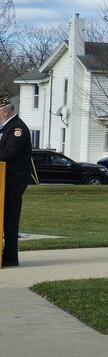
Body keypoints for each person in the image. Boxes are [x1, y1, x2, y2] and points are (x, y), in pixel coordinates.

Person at [0, 93, 36, 269]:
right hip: (4, 181)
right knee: (4, 218)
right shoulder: (7, 128)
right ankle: (6, 254)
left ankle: (10, 256)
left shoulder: (17, 129)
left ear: (5, 113)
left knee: (10, 218)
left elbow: (7, 155)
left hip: (13, 181)